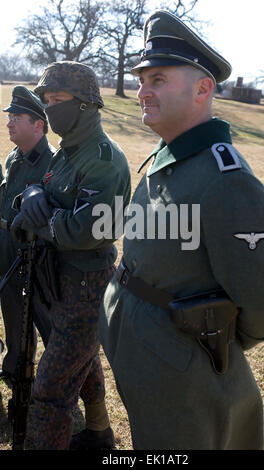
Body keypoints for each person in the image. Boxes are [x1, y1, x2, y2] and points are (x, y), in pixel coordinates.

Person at [99, 10, 264, 450]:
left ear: (203, 89)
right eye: (142, 79)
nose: (142, 91)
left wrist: (204, 343)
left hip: (184, 367)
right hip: (141, 346)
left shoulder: (226, 179)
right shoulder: (168, 154)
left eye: (158, 79)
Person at [11, 61, 131, 450]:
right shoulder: (68, 153)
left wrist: (41, 217)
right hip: (56, 278)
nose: (49, 107)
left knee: (50, 391)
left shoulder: (104, 158)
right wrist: (30, 197)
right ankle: (99, 432)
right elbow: (47, 195)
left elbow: (90, 228)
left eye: (57, 99)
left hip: (85, 284)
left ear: (84, 104)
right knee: (83, 362)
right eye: (46, 100)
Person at [0, 86, 53, 383]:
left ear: (38, 125)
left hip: (37, 256)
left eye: (16, 117)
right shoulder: (13, 157)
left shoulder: (54, 164)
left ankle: (58, 383)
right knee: (12, 315)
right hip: (8, 246)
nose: (8, 122)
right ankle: (16, 372)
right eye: (9, 117)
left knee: (47, 325)